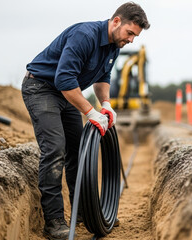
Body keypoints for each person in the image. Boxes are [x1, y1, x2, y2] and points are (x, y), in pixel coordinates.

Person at [21, 2, 150, 239]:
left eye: (135, 36)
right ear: (116, 21)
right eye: (130, 33)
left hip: (67, 92)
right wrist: (91, 113)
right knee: (55, 149)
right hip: (42, 88)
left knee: (79, 150)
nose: (131, 40)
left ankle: (83, 212)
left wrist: (107, 105)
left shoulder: (114, 45)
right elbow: (64, 79)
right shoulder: (85, 36)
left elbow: (103, 77)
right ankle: (54, 221)